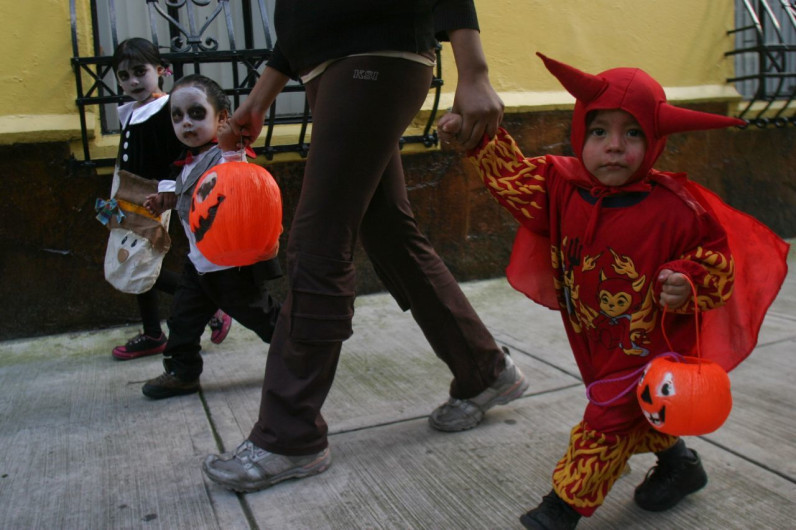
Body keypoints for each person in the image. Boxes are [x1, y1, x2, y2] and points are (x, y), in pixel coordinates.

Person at [441, 53, 789, 529]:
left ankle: (560, 510)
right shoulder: (559, 184)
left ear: (656, 141)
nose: (614, 147)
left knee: (606, 418)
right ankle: (680, 467)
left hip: (649, 344)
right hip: (596, 337)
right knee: (637, 411)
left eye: (634, 134)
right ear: (581, 129)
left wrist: (687, 282)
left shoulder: (678, 209)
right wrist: (476, 136)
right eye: (600, 131)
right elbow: (510, 179)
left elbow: (717, 263)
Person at [201, 1, 528, 493]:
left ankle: (289, 436)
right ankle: (484, 368)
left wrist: (474, 69)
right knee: (389, 231)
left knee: (318, 241)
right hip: (335, 67)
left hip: (375, 54)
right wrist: (261, 97)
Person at [140, 74, 282, 399]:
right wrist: (168, 198)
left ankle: (300, 352)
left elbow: (238, 189)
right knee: (182, 321)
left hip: (231, 267)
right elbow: (192, 197)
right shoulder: (187, 164)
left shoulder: (227, 157)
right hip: (198, 264)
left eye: (196, 113)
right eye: (178, 116)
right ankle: (182, 372)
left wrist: (234, 142)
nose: (186, 123)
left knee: (262, 316)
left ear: (222, 119)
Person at [108, 38, 232, 360]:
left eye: (140, 71)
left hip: (152, 196)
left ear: (161, 70)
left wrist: (167, 191)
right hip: (127, 194)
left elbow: (178, 152)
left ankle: (210, 306)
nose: (133, 81)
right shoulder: (133, 111)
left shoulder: (167, 110)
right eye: (124, 75)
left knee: (140, 264)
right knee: (132, 262)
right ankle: (152, 332)